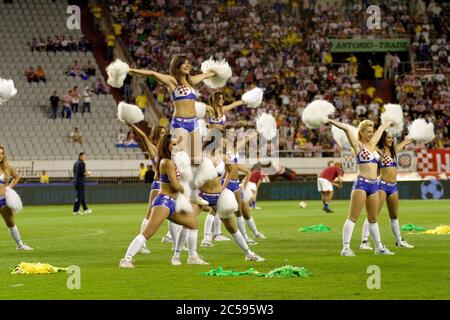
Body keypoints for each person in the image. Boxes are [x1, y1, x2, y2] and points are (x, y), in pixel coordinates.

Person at [128, 54, 216, 205]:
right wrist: (131, 70)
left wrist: (219, 71)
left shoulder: (192, 81)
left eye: (189, 63)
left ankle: (194, 193)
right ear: (177, 66)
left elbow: (209, 74)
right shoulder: (172, 81)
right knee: (179, 157)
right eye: (184, 64)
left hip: (193, 123)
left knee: (197, 159)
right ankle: (174, 188)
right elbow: (152, 74)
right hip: (179, 123)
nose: (187, 66)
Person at [119, 133, 208, 268]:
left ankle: (193, 257)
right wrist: (190, 193)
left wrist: (181, 141)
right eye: (173, 145)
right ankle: (126, 259)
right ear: (167, 147)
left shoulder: (170, 160)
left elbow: (179, 149)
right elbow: (175, 185)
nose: (176, 147)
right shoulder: (167, 162)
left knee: (193, 224)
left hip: (172, 202)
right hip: (164, 202)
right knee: (148, 233)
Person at [327, 118, 395, 256]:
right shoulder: (358, 145)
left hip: (374, 185)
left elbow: (381, 129)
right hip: (361, 184)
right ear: (362, 133)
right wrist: (330, 121)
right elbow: (346, 129)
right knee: (353, 217)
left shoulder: (373, 145)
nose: (371, 134)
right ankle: (345, 248)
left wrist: (389, 121)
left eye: (372, 131)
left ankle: (379, 248)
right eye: (368, 132)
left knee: (373, 218)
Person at [360, 131, 414, 250]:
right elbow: (369, 146)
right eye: (388, 138)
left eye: (391, 138)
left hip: (393, 187)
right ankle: (364, 241)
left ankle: (399, 241)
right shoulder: (379, 151)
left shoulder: (394, 151)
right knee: (373, 214)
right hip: (382, 186)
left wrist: (418, 135)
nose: (390, 140)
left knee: (394, 216)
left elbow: (407, 141)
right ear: (383, 139)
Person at [0, 146, 33, 250]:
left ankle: (20, 245)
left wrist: (9, 187)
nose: (0, 155)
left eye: (1, 153)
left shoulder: (7, 168)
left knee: (11, 223)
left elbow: (17, 177)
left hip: (3, 200)